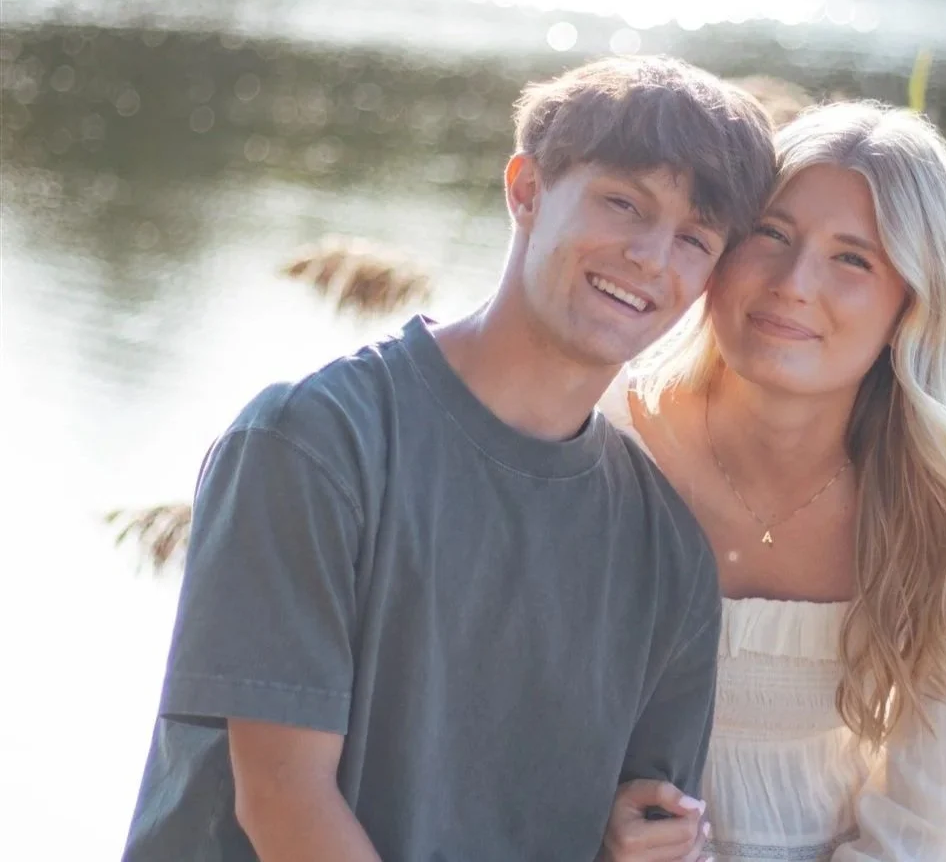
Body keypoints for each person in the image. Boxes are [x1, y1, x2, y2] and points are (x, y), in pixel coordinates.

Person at [122, 55, 775, 862]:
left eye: (694, 239)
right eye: (622, 203)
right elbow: (284, 803)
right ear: (527, 190)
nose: (650, 255)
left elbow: (641, 830)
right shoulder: (314, 442)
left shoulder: (666, 553)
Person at [597, 102, 946, 862]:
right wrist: (589, 816)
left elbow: (937, 834)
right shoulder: (609, 436)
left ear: (913, 303)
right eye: (771, 233)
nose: (793, 283)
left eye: (852, 258)